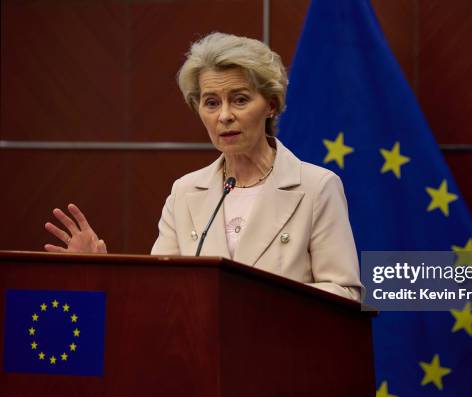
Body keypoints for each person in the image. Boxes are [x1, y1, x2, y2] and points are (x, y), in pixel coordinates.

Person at [44, 33, 362, 301]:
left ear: (271, 105)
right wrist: (105, 271)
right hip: (199, 364)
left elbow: (346, 293)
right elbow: (158, 294)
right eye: (211, 102)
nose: (224, 116)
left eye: (239, 100)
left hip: (282, 361)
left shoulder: (315, 186)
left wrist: (266, 307)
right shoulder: (185, 192)